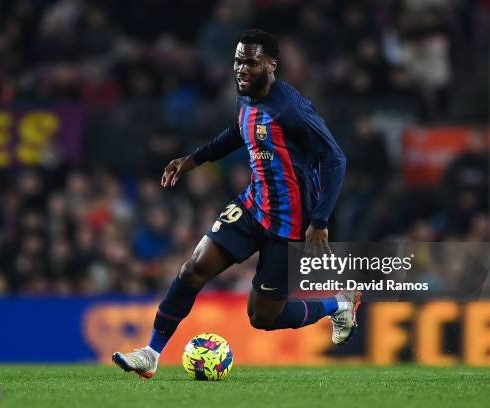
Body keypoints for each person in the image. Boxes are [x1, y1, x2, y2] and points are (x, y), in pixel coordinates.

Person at [113, 29, 361, 378]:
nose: (241, 69)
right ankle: (151, 353)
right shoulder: (246, 97)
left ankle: (339, 303)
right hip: (252, 206)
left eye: (251, 62)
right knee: (192, 270)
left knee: (263, 318)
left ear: (271, 65)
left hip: (290, 223)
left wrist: (319, 222)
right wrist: (194, 160)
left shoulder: (291, 108)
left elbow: (336, 159)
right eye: (237, 61)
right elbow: (237, 131)